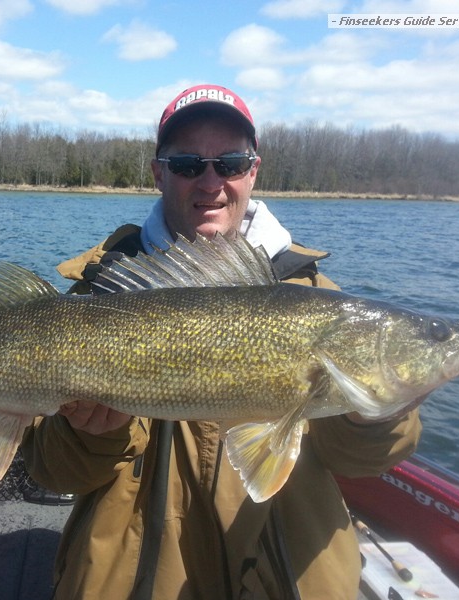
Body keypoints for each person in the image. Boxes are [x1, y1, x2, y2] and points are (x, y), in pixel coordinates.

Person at [21, 84, 422, 599]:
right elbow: (54, 472)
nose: (211, 182)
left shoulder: (319, 302)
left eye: (230, 163)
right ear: (159, 172)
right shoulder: (98, 298)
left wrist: (378, 416)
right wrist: (92, 436)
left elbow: (360, 463)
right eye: (188, 164)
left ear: (253, 171)